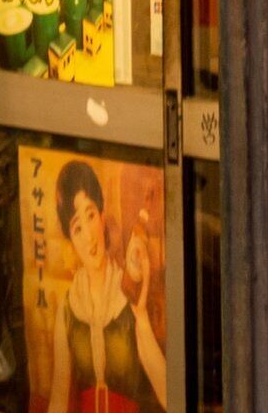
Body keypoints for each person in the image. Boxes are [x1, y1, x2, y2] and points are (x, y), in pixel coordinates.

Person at [32, 160, 167, 413]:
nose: (89, 236)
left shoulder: (128, 290)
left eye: (91, 215)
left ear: (103, 217)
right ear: (71, 239)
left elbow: (169, 394)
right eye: (77, 227)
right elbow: (58, 400)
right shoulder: (69, 307)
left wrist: (141, 316)